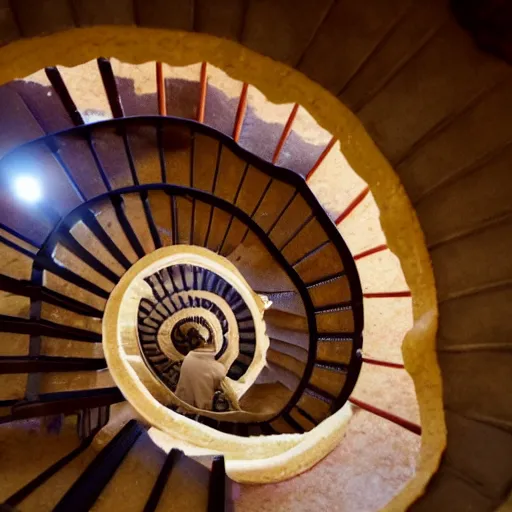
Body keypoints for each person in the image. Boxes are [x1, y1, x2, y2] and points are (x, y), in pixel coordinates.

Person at [174, 328, 227, 410]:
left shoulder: (188, 357)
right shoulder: (216, 367)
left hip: (182, 407)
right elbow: (223, 381)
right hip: (202, 412)